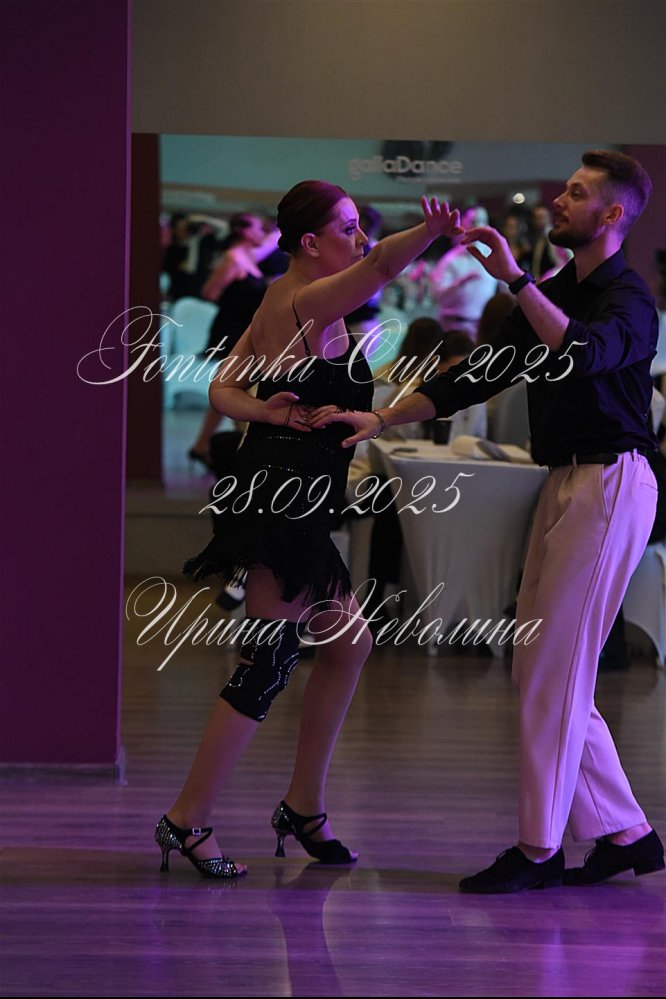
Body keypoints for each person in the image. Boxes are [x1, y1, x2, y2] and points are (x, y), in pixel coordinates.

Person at [312, 150, 664, 892]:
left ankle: (539, 850)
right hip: (564, 480)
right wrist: (382, 417)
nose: (557, 200)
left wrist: (515, 280)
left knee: (554, 671)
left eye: (575, 193)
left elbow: (582, 354)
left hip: (611, 483)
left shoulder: (629, 300)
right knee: (539, 666)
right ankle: (625, 832)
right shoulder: (558, 290)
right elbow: (476, 374)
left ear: (612, 215)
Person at [154, 180, 463, 879]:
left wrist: (266, 411)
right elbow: (381, 265)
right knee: (266, 664)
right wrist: (430, 231)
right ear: (310, 242)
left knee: (350, 643)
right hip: (280, 502)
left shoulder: (283, 299)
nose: (359, 238)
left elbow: (223, 388)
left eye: (359, 227)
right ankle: (186, 818)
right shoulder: (304, 300)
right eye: (347, 227)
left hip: (292, 495)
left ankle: (304, 804)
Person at [188, 213, 279, 469]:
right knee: (236, 388)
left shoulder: (248, 257)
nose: (263, 233)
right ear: (245, 231)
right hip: (233, 330)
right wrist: (236, 298)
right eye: (259, 228)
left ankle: (203, 446)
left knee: (232, 388)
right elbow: (209, 291)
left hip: (244, 330)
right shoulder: (233, 258)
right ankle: (243, 450)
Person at [429, 205, 499, 339]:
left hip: (480, 328)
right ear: (464, 224)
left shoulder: (493, 256)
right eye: (474, 222)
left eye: (482, 221)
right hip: (453, 327)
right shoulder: (451, 259)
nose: (478, 226)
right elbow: (437, 296)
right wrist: (460, 282)